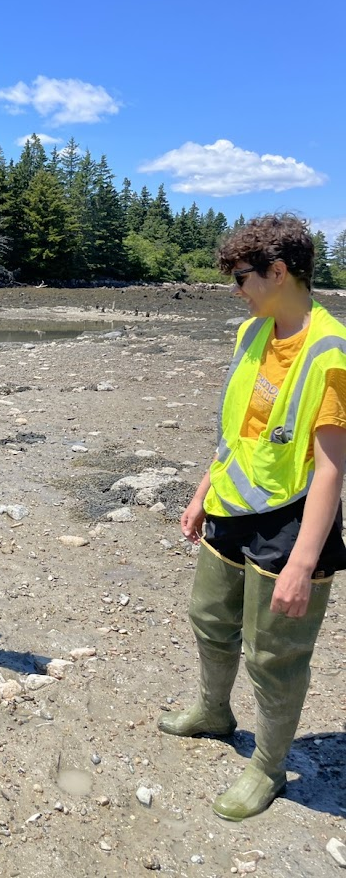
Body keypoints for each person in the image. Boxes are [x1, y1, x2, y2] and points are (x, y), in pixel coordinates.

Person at [158, 214, 346, 820]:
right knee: (208, 617)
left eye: (242, 278)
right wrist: (201, 491)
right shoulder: (250, 333)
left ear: (279, 271)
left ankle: (268, 765)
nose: (236, 290)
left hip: (290, 523)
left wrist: (304, 560)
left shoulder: (331, 353)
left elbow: (332, 469)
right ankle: (214, 712)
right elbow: (236, 432)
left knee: (274, 656)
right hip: (231, 507)